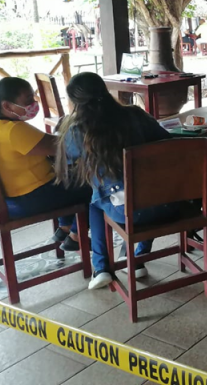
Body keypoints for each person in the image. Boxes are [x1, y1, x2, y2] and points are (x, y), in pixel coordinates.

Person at [54, 73, 188, 290]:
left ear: (75, 101)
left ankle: (101, 268)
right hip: (171, 205)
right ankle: (138, 259)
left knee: (96, 203)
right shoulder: (136, 115)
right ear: (105, 91)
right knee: (145, 189)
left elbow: (67, 162)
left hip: (126, 213)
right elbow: (169, 144)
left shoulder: (77, 130)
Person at [0, 77, 85, 251]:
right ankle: (76, 235)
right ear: (7, 106)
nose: (34, 103)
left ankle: (65, 227)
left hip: (11, 197)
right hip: (31, 198)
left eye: (33, 98)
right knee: (92, 186)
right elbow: (62, 147)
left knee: (72, 179)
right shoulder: (14, 130)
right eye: (28, 100)